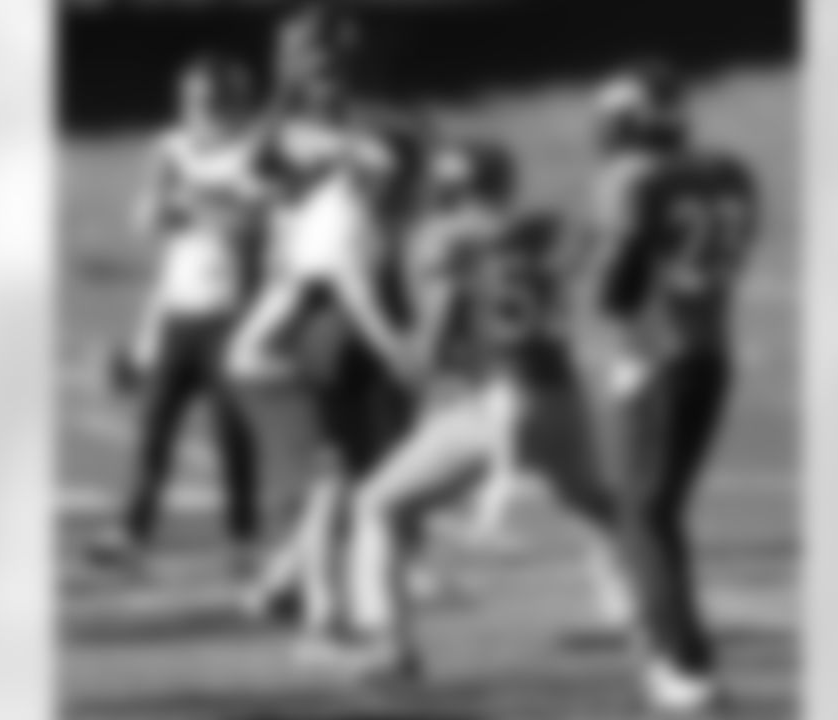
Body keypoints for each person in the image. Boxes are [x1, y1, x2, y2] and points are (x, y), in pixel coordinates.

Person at [322, 141, 617, 679]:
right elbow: (587, 241)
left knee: (377, 505)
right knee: (601, 506)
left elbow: (430, 344)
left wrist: (386, 332)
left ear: (450, 186)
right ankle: (645, 611)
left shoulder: (439, 238)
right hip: (561, 392)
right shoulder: (537, 229)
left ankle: (391, 645)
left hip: (495, 401)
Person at [575, 63, 759, 715]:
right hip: (711, 351)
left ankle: (681, 663)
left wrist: (595, 287)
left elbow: (615, 284)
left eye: (610, 118)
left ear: (628, 121)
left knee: (642, 515)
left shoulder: (629, 178)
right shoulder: (729, 172)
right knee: (659, 512)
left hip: (651, 358)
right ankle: (683, 653)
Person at [227, 51, 424, 640]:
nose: (411, 187)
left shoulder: (354, 205)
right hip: (271, 362)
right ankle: (322, 613)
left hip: (297, 354)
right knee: (331, 483)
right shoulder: (347, 210)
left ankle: (282, 590)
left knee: (349, 482)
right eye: (405, 174)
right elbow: (353, 289)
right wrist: (397, 352)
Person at [88, 57, 269, 570]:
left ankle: (243, 537)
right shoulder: (170, 149)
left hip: (232, 310)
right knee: (155, 425)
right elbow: (145, 222)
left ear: (230, 101)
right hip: (177, 307)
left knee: (233, 430)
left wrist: (195, 202)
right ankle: (133, 531)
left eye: (205, 99)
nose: (193, 109)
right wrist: (172, 201)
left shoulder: (255, 151)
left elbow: (250, 224)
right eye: (188, 98)